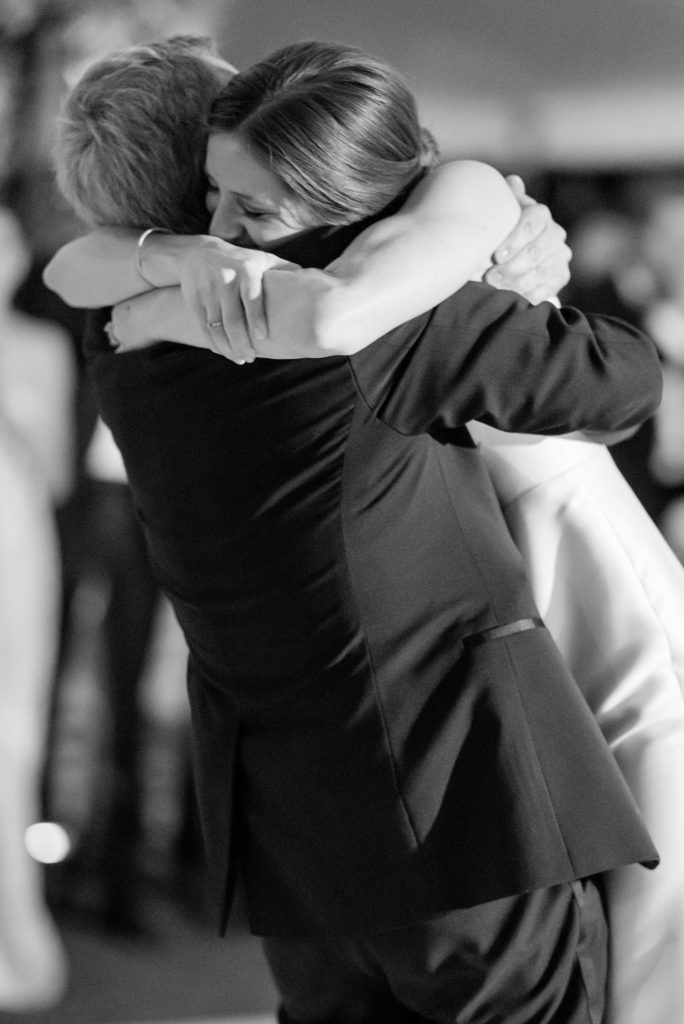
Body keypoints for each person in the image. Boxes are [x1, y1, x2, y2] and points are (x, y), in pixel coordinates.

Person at [45, 38, 664, 1024]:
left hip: (293, 846)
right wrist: (485, 241)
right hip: (459, 823)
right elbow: (624, 381)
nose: (225, 221)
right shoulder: (386, 323)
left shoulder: (122, 334)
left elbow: (80, 262)